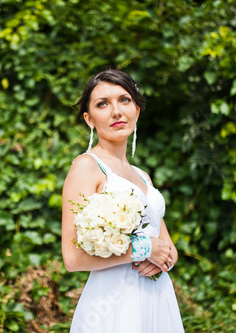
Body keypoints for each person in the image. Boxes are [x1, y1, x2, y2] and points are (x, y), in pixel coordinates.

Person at [62, 69, 185, 332]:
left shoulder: (143, 176)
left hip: (157, 297)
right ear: (89, 119)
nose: (116, 111)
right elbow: (72, 258)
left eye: (124, 100)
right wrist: (142, 250)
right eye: (102, 104)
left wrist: (165, 259)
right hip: (113, 304)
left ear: (137, 111)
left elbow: (168, 248)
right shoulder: (86, 167)